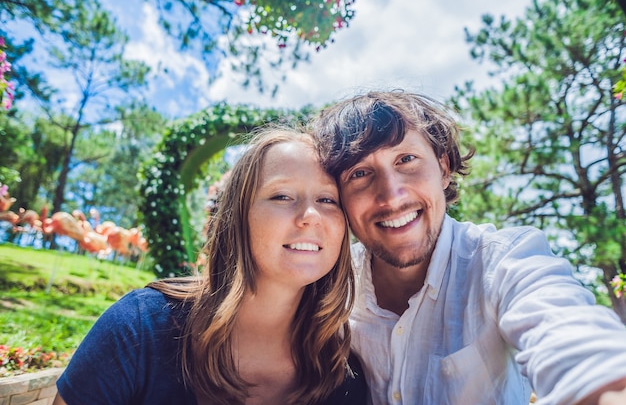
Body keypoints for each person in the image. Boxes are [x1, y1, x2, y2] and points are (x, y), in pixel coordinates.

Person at [311, 90, 626, 405]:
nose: (391, 196)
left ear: (444, 169)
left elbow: (578, 346)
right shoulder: (324, 287)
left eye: (406, 159)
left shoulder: (504, 260)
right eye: (360, 174)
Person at [53, 126, 368, 405]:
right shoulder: (138, 329)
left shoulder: (344, 377)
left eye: (328, 200)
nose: (310, 215)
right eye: (282, 196)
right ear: (237, 216)